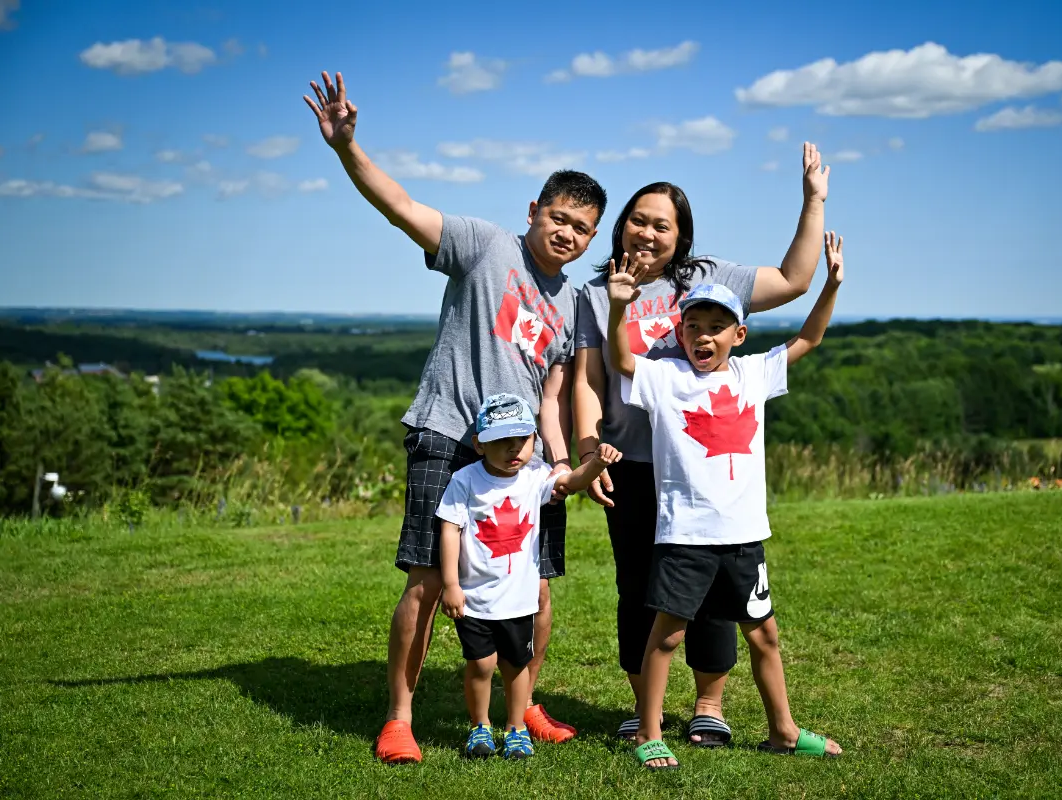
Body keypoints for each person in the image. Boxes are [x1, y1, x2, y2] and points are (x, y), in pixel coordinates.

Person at [303, 71, 607, 763]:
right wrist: (347, 148)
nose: (567, 234)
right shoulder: (483, 245)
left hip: (524, 455)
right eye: (559, 218)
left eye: (582, 229)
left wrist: (559, 462)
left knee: (535, 581)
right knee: (431, 578)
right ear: (533, 210)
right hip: (448, 430)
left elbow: (553, 395)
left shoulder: (573, 305)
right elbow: (402, 206)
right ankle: (400, 717)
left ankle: (522, 707)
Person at [572, 144, 830, 746]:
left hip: (706, 471)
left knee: (717, 594)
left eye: (663, 224)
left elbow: (794, 280)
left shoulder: (707, 280)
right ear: (622, 224)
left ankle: (709, 704)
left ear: (681, 236)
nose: (648, 231)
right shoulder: (595, 293)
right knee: (638, 588)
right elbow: (591, 379)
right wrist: (589, 450)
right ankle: (648, 710)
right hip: (631, 465)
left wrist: (813, 201)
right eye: (638, 218)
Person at [604, 231, 847, 770]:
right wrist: (619, 309)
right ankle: (650, 733)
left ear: (738, 334)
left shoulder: (752, 373)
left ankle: (784, 731)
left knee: (765, 635)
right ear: (679, 331)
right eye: (693, 326)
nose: (703, 336)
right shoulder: (664, 377)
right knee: (665, 638)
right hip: (684, 539)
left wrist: (828, 287)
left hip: (744, 539)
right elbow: (621, 359)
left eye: (717, 327)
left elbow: (809, 339)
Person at [438, 393, 622, 759]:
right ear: (479, 444)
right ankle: (480, 726)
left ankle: (516, 727)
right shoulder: (465, 480)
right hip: (474, 598)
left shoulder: (536, 475)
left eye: (521, 440)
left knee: (516, 665)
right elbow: (449, 528)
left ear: (534, 441)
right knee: (481, 664)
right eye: (501, 441)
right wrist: (451, 584)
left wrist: (597, 464)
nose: (513, 449)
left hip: (519, 599)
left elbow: (569, 483)